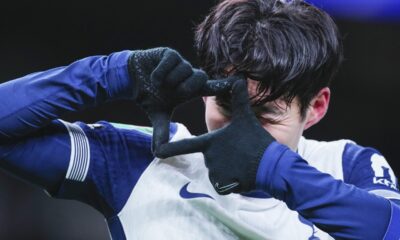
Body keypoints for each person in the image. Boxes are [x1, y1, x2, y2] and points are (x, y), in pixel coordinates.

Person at [0, 0, 399, 239]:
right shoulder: (144, 162)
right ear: (207, 89)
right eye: (228, 105)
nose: (241, 131)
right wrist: (110, 73)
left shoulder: (347, 166)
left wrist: (272, 168)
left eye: (265, 116)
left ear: (315, 108)